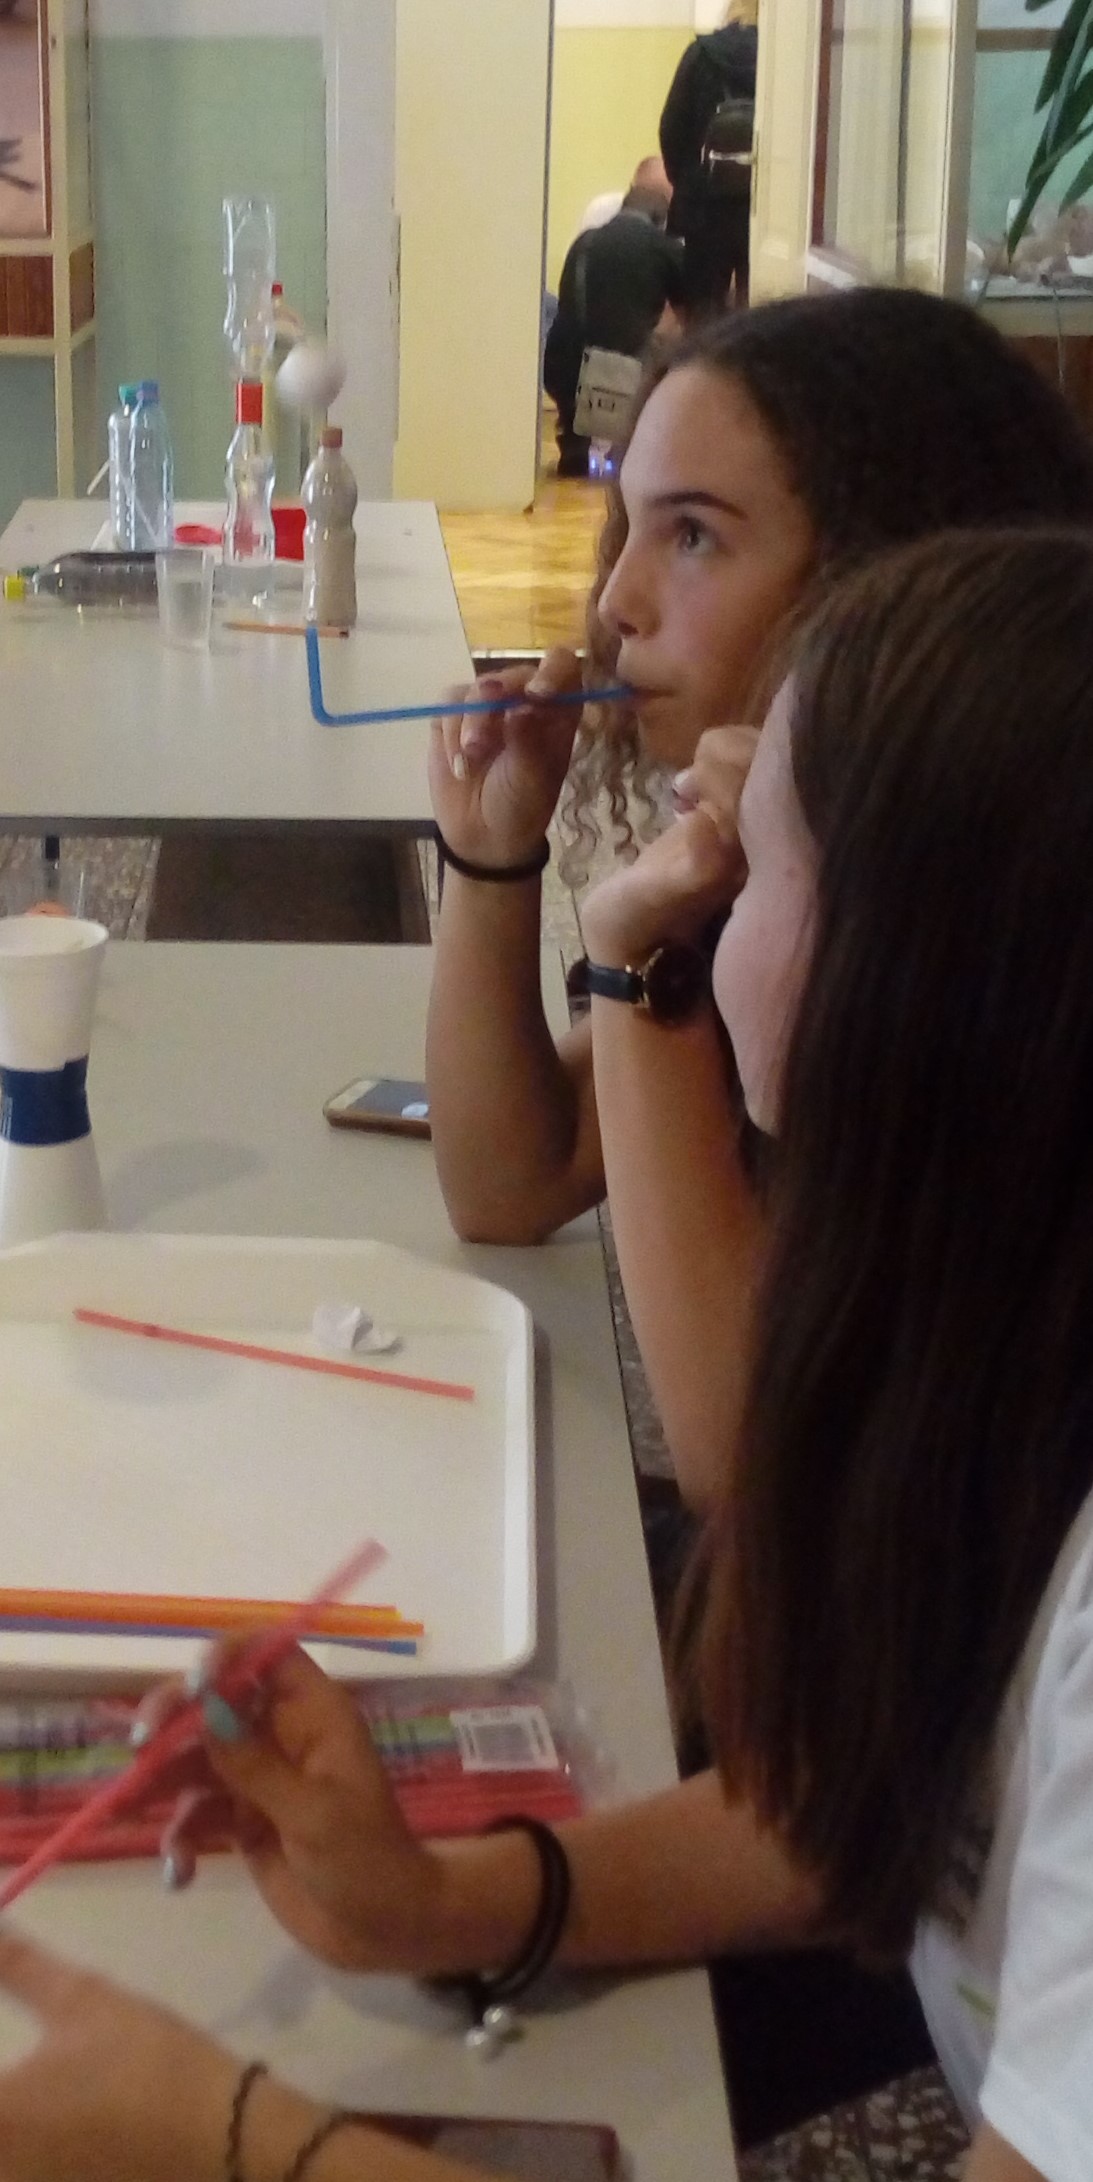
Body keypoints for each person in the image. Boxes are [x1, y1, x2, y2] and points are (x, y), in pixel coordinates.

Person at [4, 526, 1093, 2180]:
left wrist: (232, 2136)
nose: (617, 599)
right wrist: (454, 1898)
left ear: (916, 972)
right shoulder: (1005, 1336)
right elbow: (856, 1801)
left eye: (758, 861)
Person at [427, 286, 1093, 1511]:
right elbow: (513, 1181)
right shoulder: (759, 881)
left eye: (692, 535)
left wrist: (636, 950)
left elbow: (753, 1464)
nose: (617, 600)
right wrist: (491, 855)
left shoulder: (989, 933)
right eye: (628, 523)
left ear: (885, 572)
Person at [542, 185, 682, 478]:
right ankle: (633, 446)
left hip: (561, 368)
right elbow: (692, 311)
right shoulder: (662, 247)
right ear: (661, 219)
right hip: (620, 377)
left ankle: (574, 441)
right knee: (669, 348)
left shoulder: (584, 241)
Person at [659, 0, 758, 317]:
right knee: (760, 309)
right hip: (762, 209)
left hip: (705, 209)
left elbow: (671, 128)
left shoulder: (701, 55)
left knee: (703, 314)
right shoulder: (786, 62)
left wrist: (689, 182)